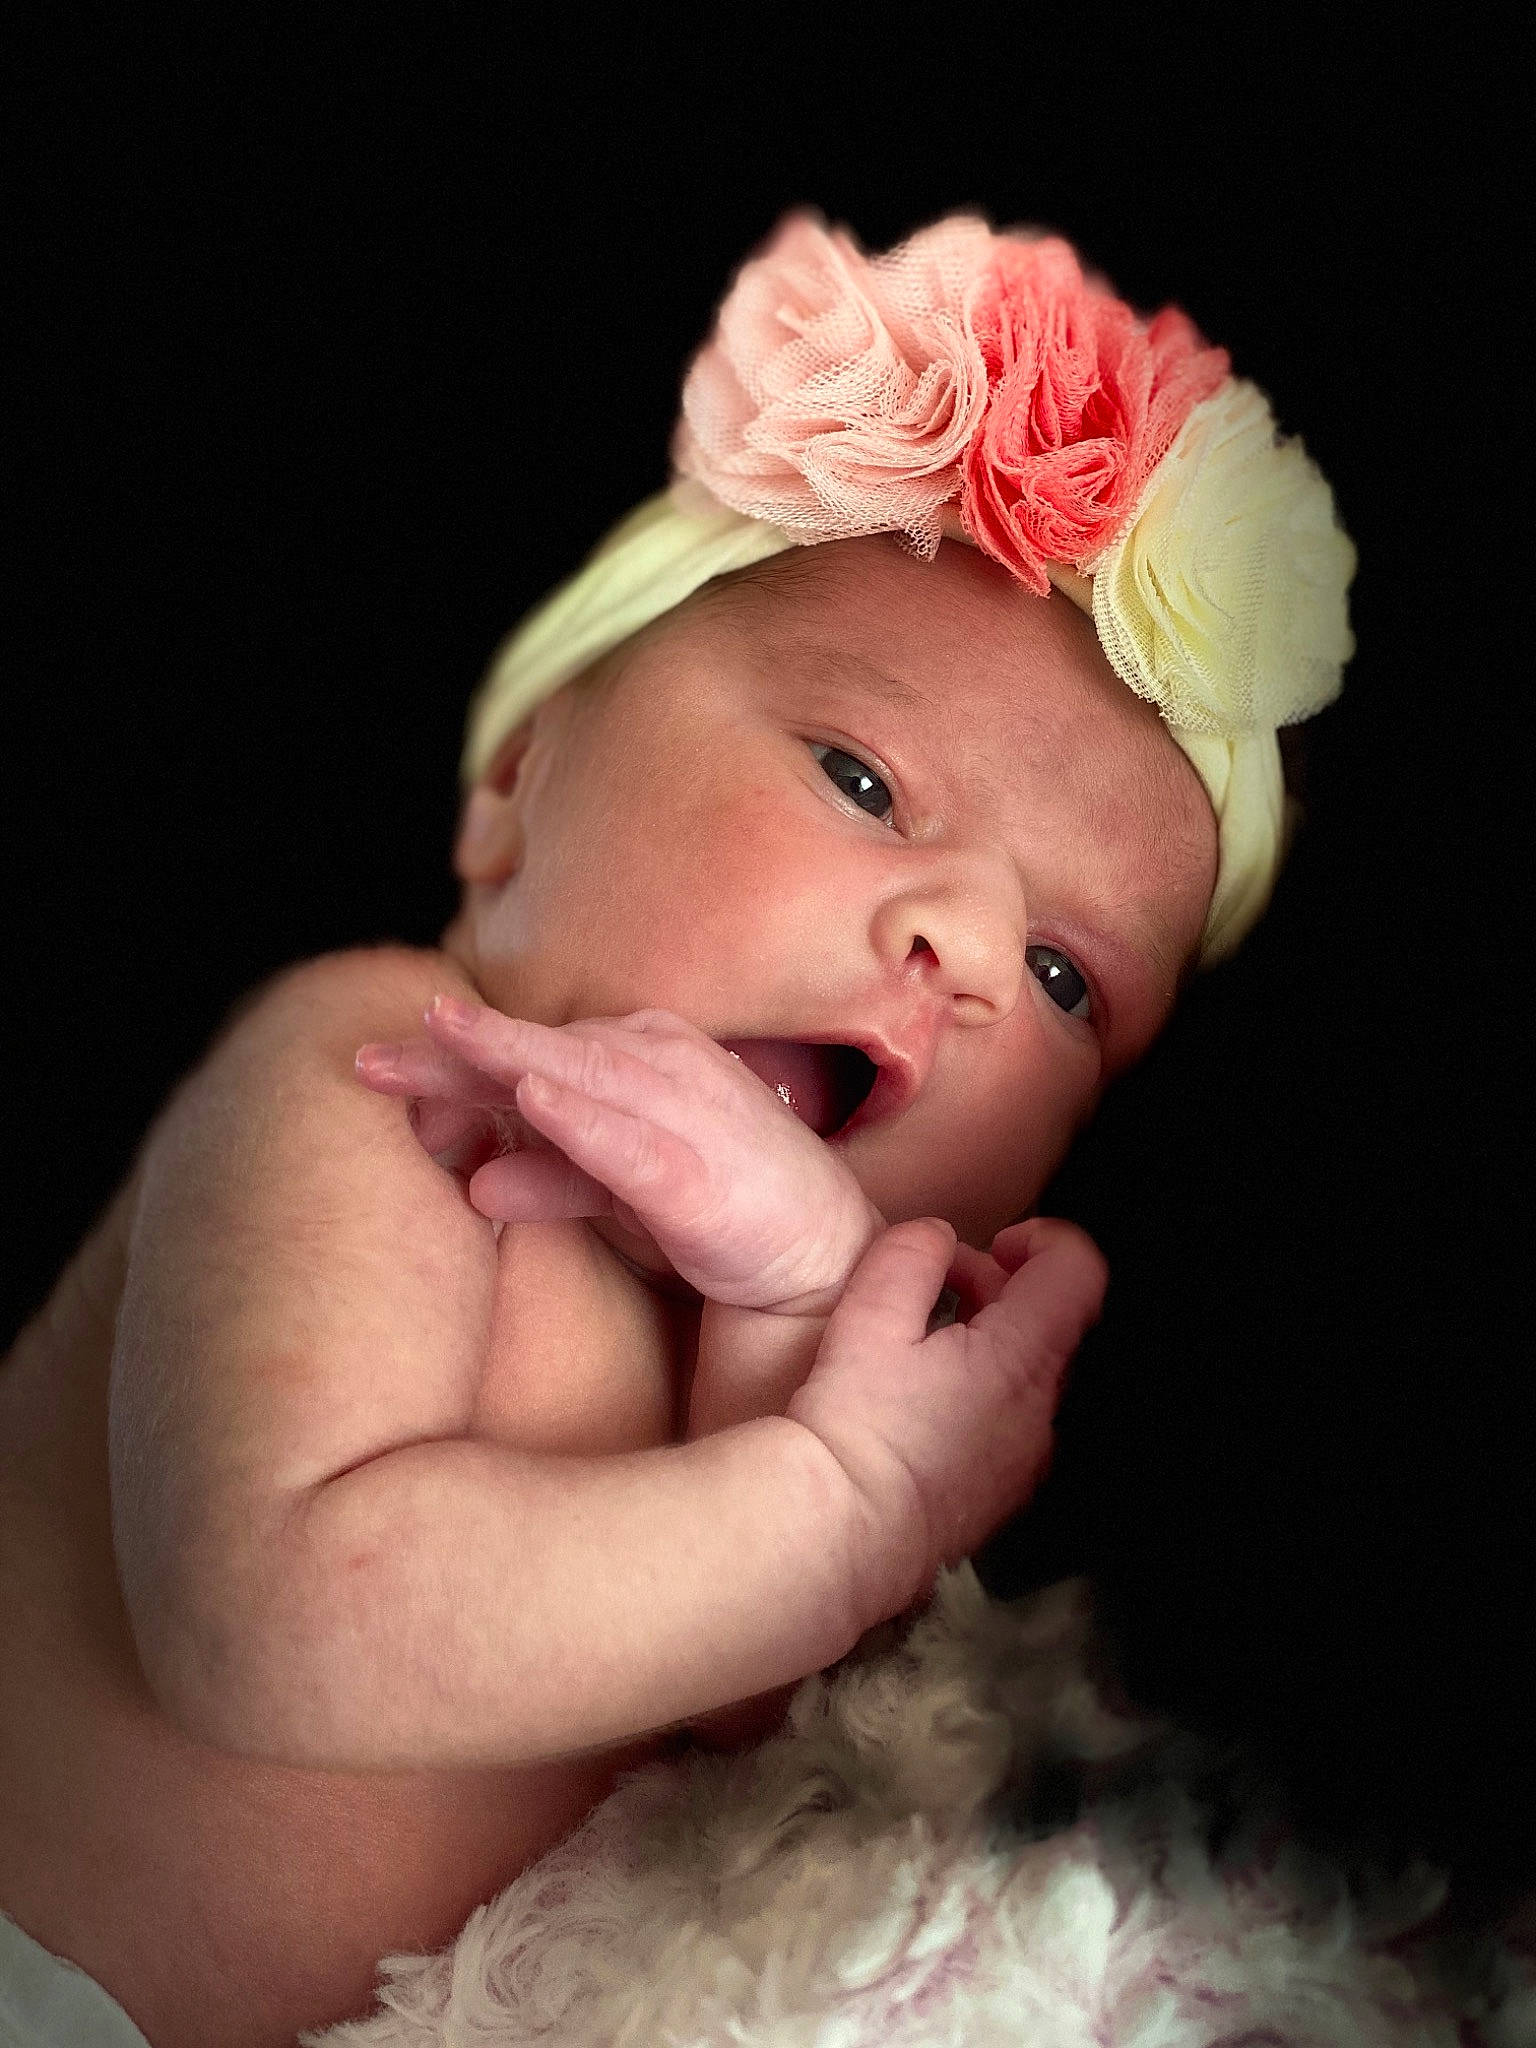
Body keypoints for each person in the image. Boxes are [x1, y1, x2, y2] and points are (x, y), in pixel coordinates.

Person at [0, 212, 1353, 2048]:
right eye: (865, 782)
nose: (956, 950)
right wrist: (843, 1504)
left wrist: (798, 1308)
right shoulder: (384, 1069)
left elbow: (756, 1746)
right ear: (516, 784)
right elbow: (271, 1627)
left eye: (1061, 977)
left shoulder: (816, 1338)